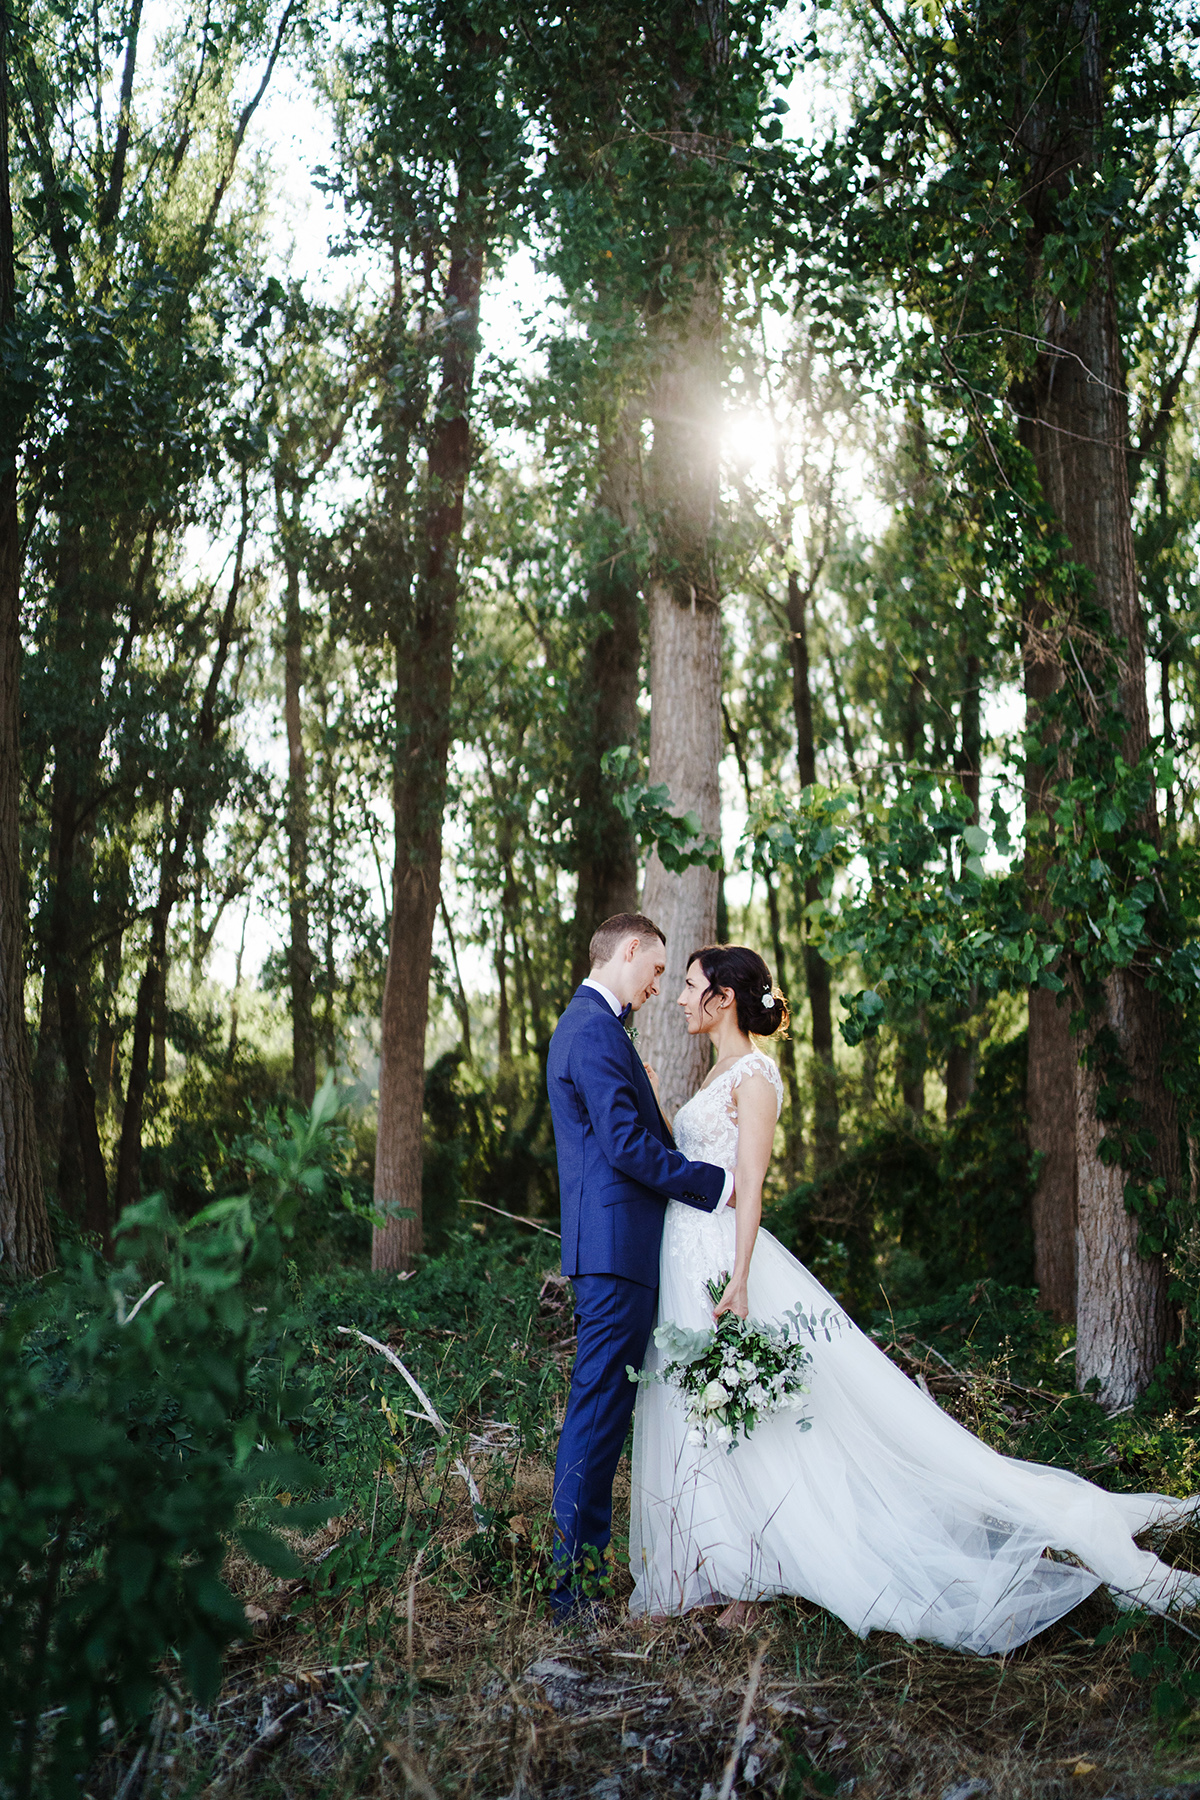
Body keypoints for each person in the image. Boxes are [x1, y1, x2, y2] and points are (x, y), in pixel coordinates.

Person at [629, 943, 1200, 1654]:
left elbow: (749, 1184)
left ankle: (753, 1577)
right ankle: (708, 1566)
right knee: (697, 1412)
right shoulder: (712, 1070)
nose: (679, 998)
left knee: (746, 1417)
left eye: (688, 987)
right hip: (685, 1256)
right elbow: (693, 1166)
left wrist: (740, 1276)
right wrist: (655, 1102)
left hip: (722, 1259)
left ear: (722, 998)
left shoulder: (755, 1076)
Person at [545, 912, 733, 1621]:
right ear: (628, 952)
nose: (658, 987)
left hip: (618, 1250)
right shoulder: (592, 1029)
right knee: (595, 1418)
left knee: (602, 1414)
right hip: (613, 1251)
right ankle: (571, 1593)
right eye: (656, 971)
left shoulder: (595, 1029)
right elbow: (624, 1146)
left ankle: (578, 1584)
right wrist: (709, 1184)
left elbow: (619, 1131)